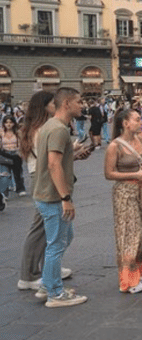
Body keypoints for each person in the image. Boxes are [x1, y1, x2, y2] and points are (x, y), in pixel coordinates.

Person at [33, 87, 92, 307]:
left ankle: (48, 284)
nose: (82, 105)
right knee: (56, 243)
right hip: (53, 196)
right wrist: (65, 197)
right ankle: (55, 294)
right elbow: (53, 164)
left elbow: (56, 160)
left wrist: (74, 156)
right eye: (78, 102)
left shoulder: (51, 125)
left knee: (64, 238)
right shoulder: (59, 129)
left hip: (47, 193)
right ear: (66, 103)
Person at [17, 91, 73, 290]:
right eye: (52, 103)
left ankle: (48, 269)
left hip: (39, 175)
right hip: (42, 178)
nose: (54, 106)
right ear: (44, 106)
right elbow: (50, 161)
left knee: (48, 228)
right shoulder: (42, 129)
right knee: (41, 228)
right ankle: (29, 274)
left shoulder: (37, 127)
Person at [104, 109, 142, 294]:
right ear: (125, 123)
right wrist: (135, 174)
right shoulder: (114, 146)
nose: (141, 122)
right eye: (137, 119)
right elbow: (109, 174)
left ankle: (140, 270)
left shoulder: (140, 139)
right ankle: (128, 280)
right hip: (125, 193)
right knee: (129, 233)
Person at [1, 115, 25, 195]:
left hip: (16, 153)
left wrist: (21, 153)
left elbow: (22, 143)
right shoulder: (1, 132)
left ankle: (20, 189)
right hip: (5, 154)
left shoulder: (18, 132)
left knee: (18, 173)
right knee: (5, 174)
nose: (8, 124)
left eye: (10, 122)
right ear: (3, 124)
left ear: (14, 123)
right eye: (6, 122)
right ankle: (4, 191)